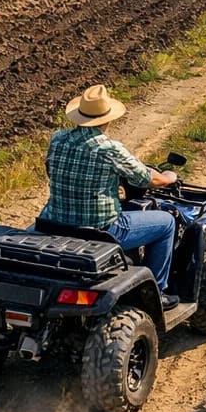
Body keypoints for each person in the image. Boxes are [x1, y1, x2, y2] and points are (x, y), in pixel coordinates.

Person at [40, 84, 180, 309]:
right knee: (167, 223)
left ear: (78, 116)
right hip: (103, 229)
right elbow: (147, 179)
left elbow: (51, 170)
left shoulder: (57, 139)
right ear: (107, 119)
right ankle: (158, 292)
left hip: (55, 223)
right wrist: (168, 176)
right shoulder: (109, 149)